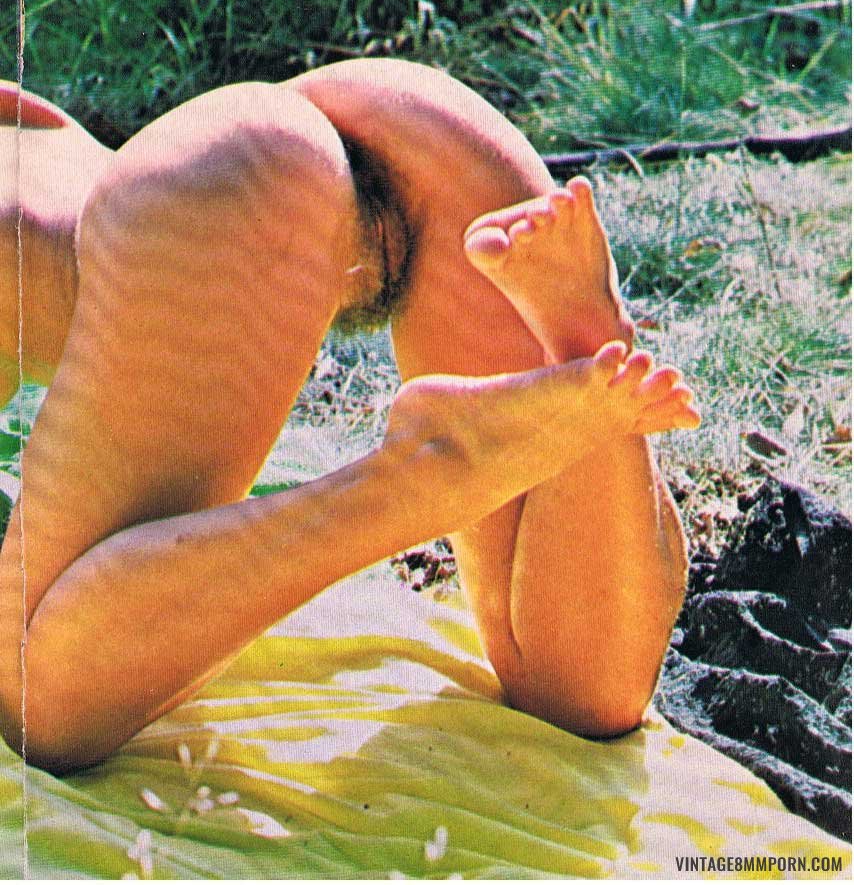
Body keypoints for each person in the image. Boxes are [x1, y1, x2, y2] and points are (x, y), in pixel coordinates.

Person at [0, 59, 699, 774]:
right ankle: (592, 343)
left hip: (233, 190)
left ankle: (412, 480)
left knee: (38, 698)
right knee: (582, 697)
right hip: (417, 130)